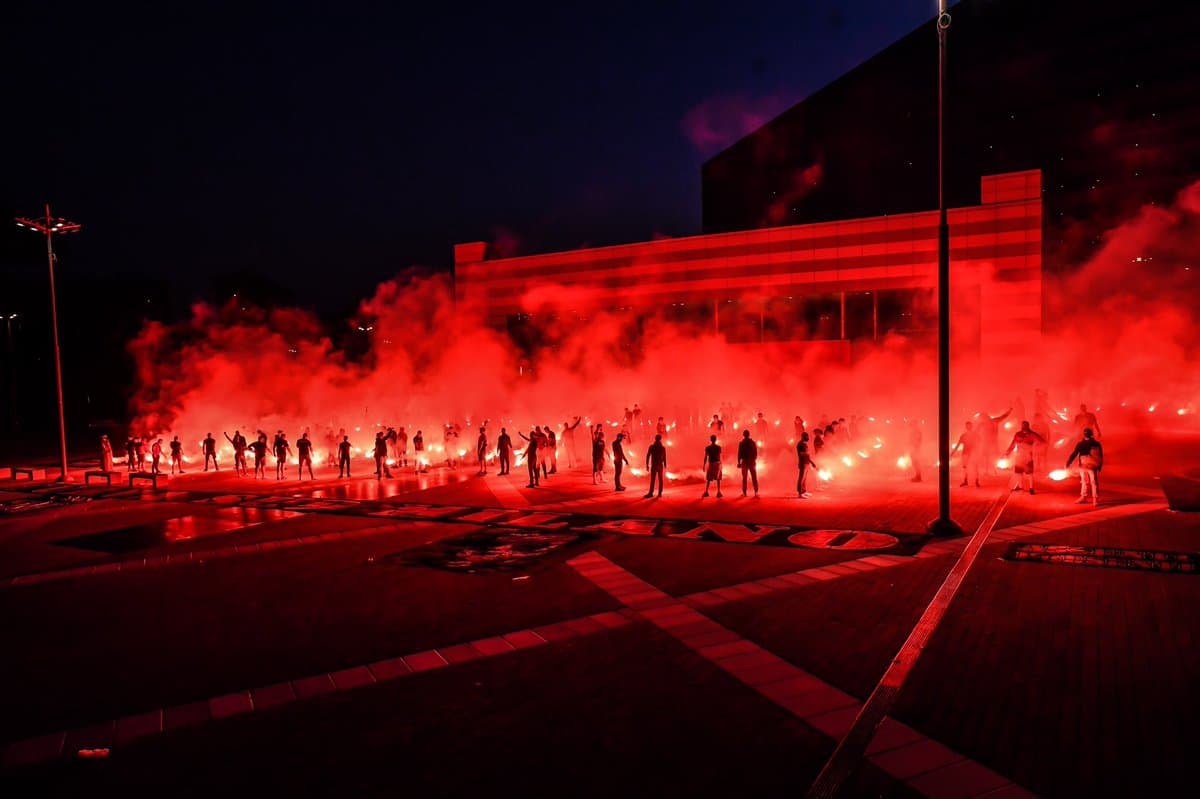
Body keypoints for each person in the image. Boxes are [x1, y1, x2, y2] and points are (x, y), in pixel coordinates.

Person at [1004, 420, 1047, 494]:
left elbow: (1041, 442)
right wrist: (1008, 452)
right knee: (1021, 473)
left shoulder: (1029, 434)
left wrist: (1037, 448)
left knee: (1026, 473)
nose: (1023, 427)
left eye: (1024, 425)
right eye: (1023, 425)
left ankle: (1029, 488)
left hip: (1025, 456)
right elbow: (1013, 444)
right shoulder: (1027, 434)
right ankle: (1027, 488)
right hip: (1022, 456)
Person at [1066, 428, 1104, 505]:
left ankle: (1085, 497)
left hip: (1084, 466)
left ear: (1084, 434)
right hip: (1092, 466)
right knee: (1093, 482)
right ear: (1092, 434)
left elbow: (1075, 453)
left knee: (1085, 482)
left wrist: (1068, 462)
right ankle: (1094, 499)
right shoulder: (1096, 444)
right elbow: (1100, 456)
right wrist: (1099, 466)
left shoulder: (1081, 444)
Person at [978, 407, 1013, 475]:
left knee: (993, 455)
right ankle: (987, 470)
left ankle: (993, 469)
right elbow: (976, 431)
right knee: (987, 456)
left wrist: (1009, 411)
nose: (983, 419)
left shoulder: (994, 421)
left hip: (993, 441)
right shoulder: (982, 423)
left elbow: (1003, 416)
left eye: (984, 417)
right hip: (986, 441)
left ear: (987, 417)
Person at [951, 420, 981, 487]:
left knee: (975, 467)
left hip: (973, 453)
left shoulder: (975, 435)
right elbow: (958, 444)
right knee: (965, 467)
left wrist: (979, 452)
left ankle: (976, 481)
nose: (968, 427)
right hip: (966, 453)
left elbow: (979, 444)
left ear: (971, 426)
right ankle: (966, 481)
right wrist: (953, 452)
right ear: (966, 427)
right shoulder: (964, 435)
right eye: (967, 426)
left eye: (969, 426)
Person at [737, 429, 759, 498]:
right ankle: (756, 492)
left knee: (744, 478)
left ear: (743, 435)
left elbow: (739, 454)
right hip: (751, 462)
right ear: (749, 435)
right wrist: (754, 459)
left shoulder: (742, 443)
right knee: (754, 477)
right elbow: (756, 453)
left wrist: (739, 462)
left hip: (745, 462)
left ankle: (744, 493)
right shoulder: (753, 442)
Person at [645, 434, 667, 498]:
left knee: (653, 480)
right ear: (660, 439)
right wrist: (665, 464)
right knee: (660, 480)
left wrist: (647, 465)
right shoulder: (662, 448)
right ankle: (659, 493)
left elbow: (648, 456)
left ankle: (651, 493)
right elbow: (664, 457)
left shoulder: (652, 447)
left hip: (655, 465)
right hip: (659, 465)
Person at [796, 432, 818, 497]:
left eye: (807, 436)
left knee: (804, 478)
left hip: (806, 463)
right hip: (803, 463)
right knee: (801, 478)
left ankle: (804, 491)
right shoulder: (800, 444)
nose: (807, 438)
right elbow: (802, 454)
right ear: (802, 437)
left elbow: (807, 455)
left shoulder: (805, 444)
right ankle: (800, 493)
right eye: (806, 436)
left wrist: (811, 462)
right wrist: (807, 453)